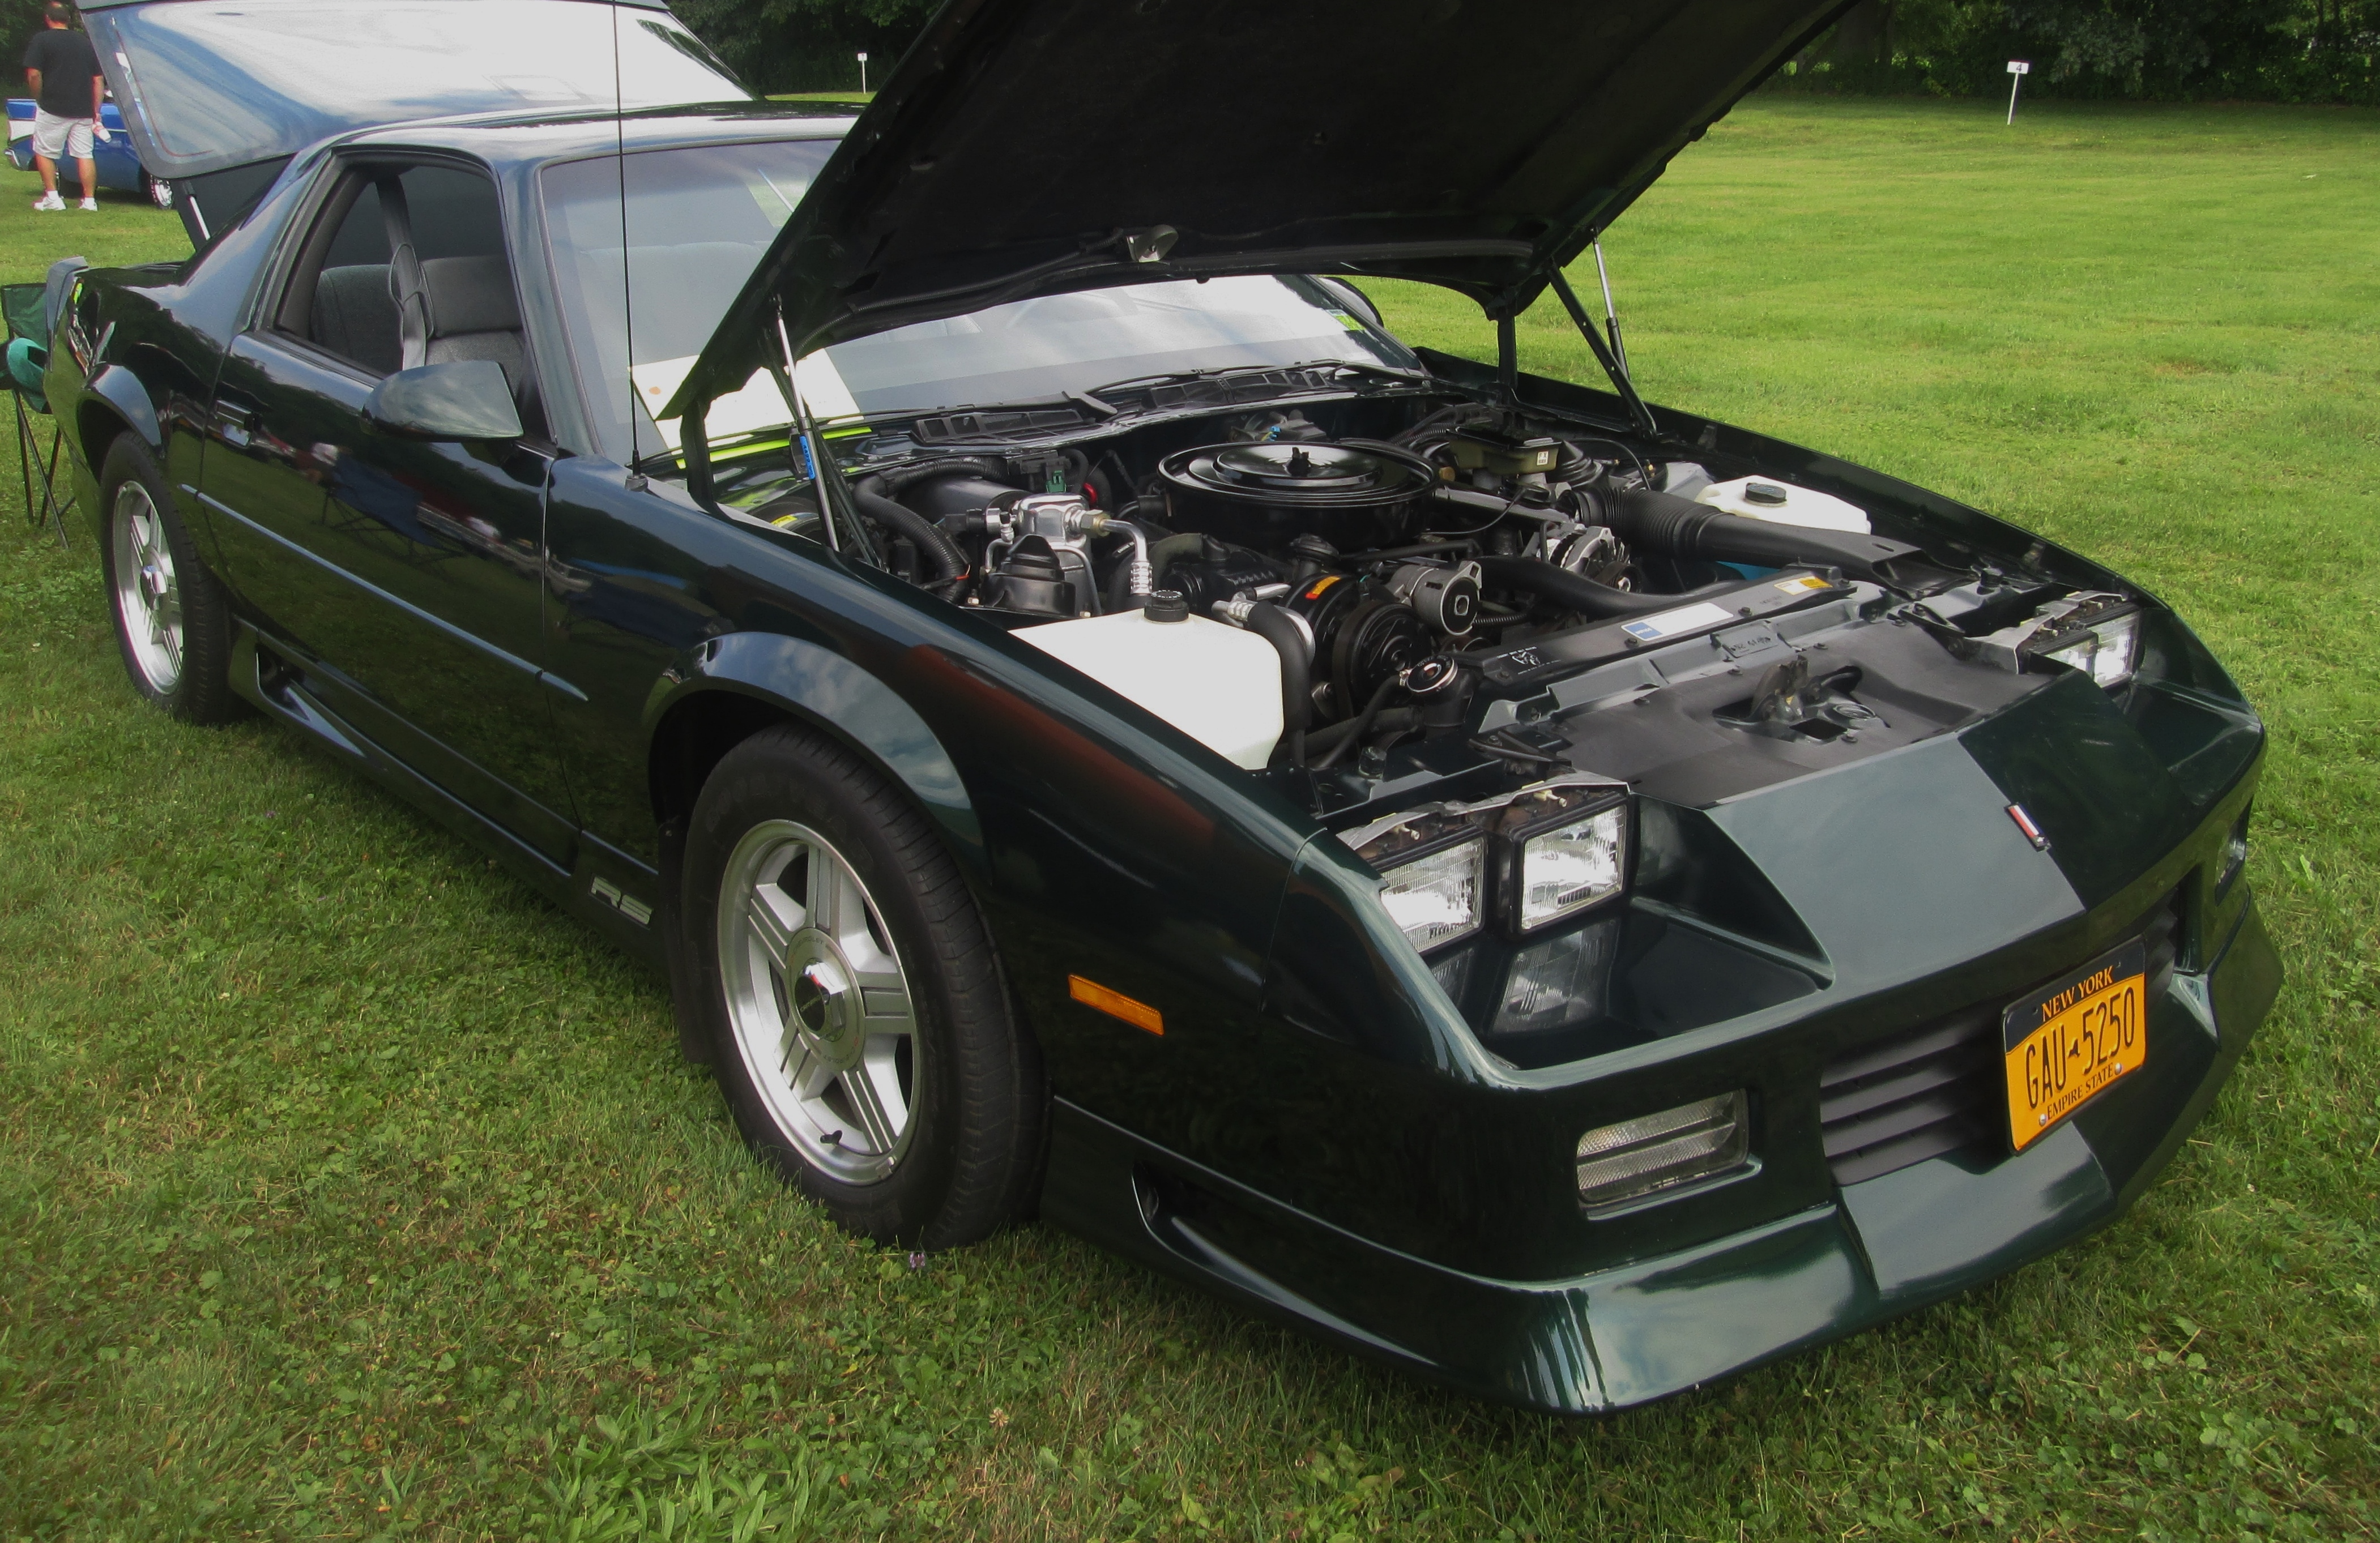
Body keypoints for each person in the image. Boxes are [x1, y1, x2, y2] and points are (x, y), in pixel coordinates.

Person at [23, 1, 104, 212]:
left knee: (45, 152)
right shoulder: (85, 43)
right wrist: (96, 110)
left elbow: (34, 74)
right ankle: (89, 201)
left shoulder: (41, 40)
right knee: (84, 154)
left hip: (53, 106)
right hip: (83, 109)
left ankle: (53, 197)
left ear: (48, 19)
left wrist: (38, 97)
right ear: (68, 20)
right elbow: (97, 79)